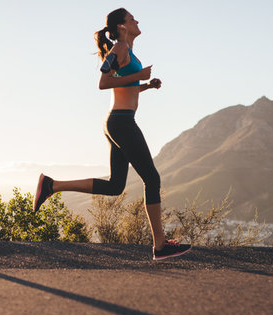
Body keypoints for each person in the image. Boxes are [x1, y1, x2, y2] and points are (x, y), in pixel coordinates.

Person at [33, 8, 191, 260]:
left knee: (116, 186)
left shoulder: (127, 51)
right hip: (121, 123)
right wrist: (139, 76)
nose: (137, 20)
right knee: (152, 178)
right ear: (121, 26)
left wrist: (146, 85)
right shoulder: (120, 48)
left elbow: (125, 88)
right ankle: (160, 246)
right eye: (132, 18)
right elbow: (103, 83)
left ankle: (52, 185)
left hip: (118, 121)